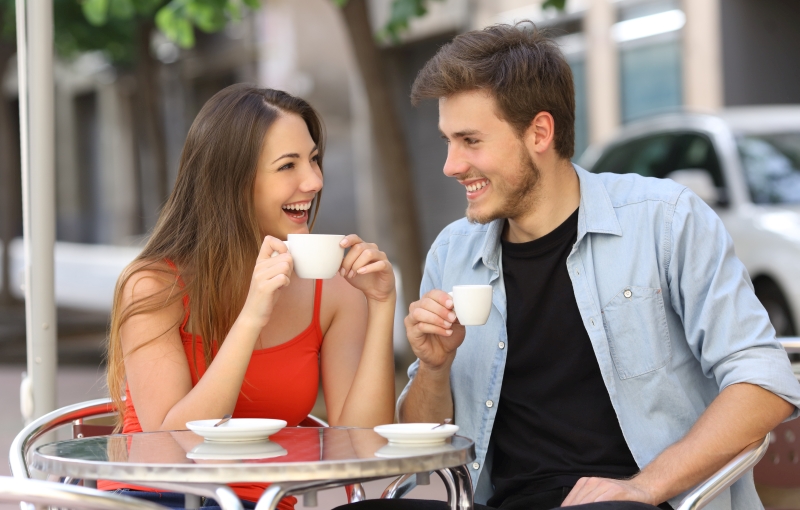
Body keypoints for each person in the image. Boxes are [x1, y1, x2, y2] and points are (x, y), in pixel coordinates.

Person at [392, 23, 800, 510]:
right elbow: (424, 449)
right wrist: (434, 369)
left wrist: (644, 486)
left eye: (470, 141)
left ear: (539, 132)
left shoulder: (666, 221)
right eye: (447, 142)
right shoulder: (452, 253)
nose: (451, 165)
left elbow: (763, 381)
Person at [98, 84, 397, 509]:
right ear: (233, 182)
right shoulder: (153, 286)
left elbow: (361, 449)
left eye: (313, 159)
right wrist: (252, 316)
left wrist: (382, 305)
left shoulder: (334, 293)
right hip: (158, 496)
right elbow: (172, 445)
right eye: (287, 165)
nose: (314, 181)